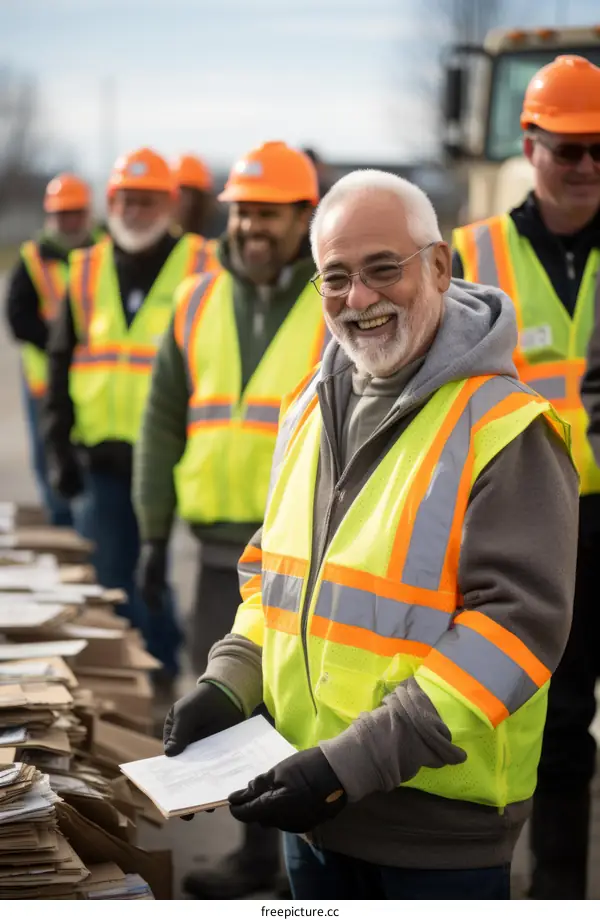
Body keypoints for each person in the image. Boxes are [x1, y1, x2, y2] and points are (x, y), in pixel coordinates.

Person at [162, 169, 578, 900]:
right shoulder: (308, 410)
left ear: (440, 267)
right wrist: (229, 680)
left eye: (384, 268)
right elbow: (274, 580)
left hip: (433, 838)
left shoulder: (507, 429)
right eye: (336, 278)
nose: (359, 299)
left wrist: (346, 765)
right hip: (311, 815)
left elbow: (513, 635)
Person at [133, 140, 328, 898]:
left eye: (268, 213)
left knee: (302, 717)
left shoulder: (332, 297)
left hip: (313, 553)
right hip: (221, 554)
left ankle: (299, 874)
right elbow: (160, 424)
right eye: (242, 211)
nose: (251, 226)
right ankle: (254, 864)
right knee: (232, 710)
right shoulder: (195, 301)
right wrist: (153, 533)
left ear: (305, 216)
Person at [452, 55, 600, 899]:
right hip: (534, 531)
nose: (583, 167)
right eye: (566, 148)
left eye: (599, 150)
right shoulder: (470, 256)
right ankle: (556, 897)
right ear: (528, 144)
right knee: (556, 726)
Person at [42, 147, 216, 689]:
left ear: (169, 203)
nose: (136, 211)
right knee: (113, 579)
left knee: (159, 576)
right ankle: (134, 680)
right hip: (102, 458)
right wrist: (57, 447)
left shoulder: (200, 263)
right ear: (111, 203)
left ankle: (162, 674)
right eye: (126, 200)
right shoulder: (86, 267)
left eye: (148, 201)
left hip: (171, 455)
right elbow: (60, 358)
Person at [4, 173, 96, 526]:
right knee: (50, 456)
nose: (69, 221)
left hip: (92, 384)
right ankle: (61, 525)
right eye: (62, 214)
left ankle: (88, 526)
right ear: (49, 216)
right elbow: (18, 317)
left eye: (75, 213)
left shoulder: (104, 253)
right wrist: (60, 346)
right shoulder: (33, 259)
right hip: (45, 382)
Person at [172, 153, 223, 238]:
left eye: (193, 195)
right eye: (181, 193)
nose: (187, 202)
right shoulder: (162, 234)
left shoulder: (221, 232)